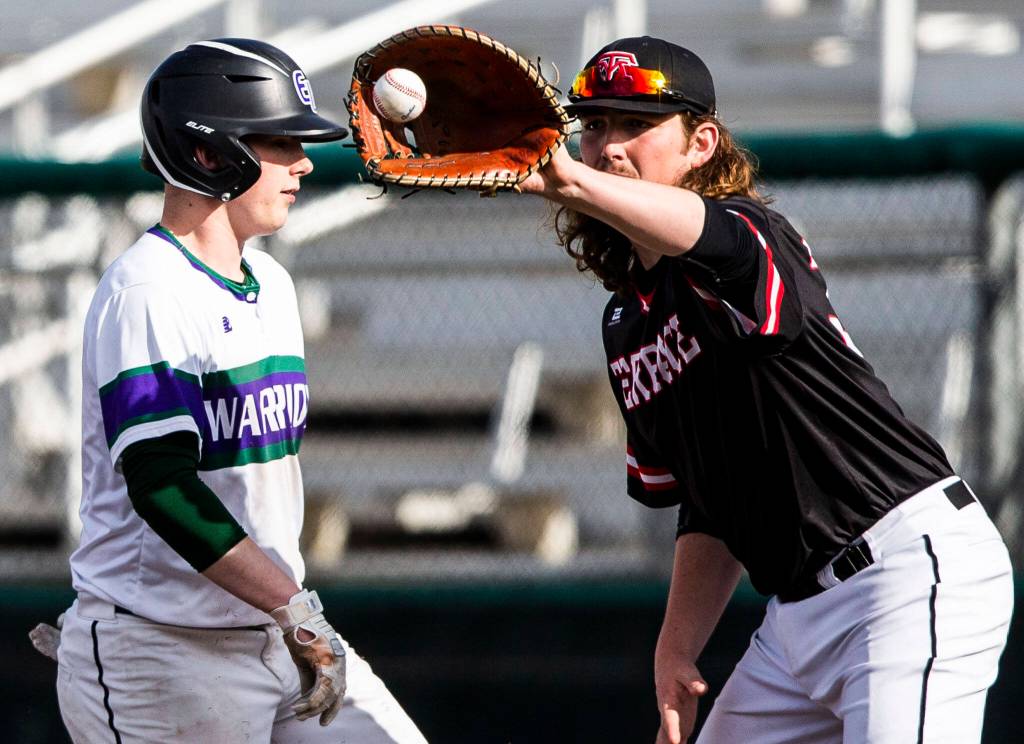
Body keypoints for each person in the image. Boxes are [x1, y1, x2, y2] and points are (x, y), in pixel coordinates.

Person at [519, 36, 1014, 743]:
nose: (610, 145)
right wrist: (677, 648)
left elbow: (702, 233)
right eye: (595, 125)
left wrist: (572, 181)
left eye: (637, 124)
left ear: (701, 144)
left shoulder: (748, 237)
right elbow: (708, 504)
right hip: (795, 621)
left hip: (904, 573)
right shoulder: (626, 321)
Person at [48, 38, 427, 744]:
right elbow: (161, 484)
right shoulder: (147, 291)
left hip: (275, 632)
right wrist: (294, 608)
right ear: (211, 153)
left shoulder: (275, 285)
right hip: (158, 655)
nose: (305, 163)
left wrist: (290, 616)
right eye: (281, 142)